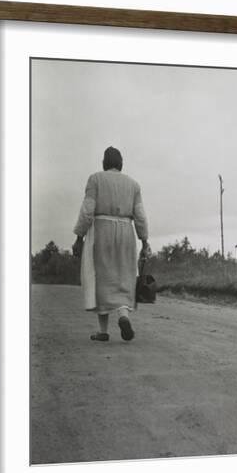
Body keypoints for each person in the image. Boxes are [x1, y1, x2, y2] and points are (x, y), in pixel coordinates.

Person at [72, 146, 150, 341]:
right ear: (121, 164)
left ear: (104, 163)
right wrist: (145, 241)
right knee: (124, 276)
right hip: (126, 232)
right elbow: (140, 216)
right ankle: (123, 315)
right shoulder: (133, 185)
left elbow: (87, 210)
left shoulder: (95, 179)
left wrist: (79, 237)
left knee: (102, 279)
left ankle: (103, 331)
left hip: (101, 230)